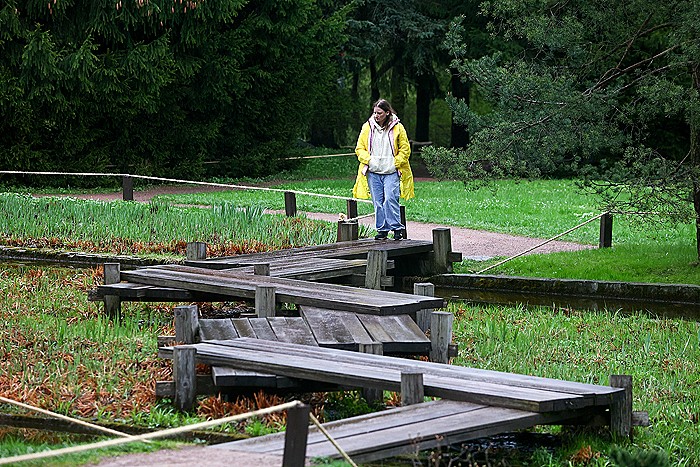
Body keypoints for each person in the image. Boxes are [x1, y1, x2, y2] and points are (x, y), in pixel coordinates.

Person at [352, 99, 414, 240]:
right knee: (378, 202)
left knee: (391, 198)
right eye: (374, 113)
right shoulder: (367, 127)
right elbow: (359, 148)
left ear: (387, 113)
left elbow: (405, 149)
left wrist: (395, 162)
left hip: (391, 171)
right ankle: (382, 229)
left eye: (379, 113)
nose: (376, 115)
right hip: (374, 171)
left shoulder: (398, 127)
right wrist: (369, 161)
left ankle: (397, 228)